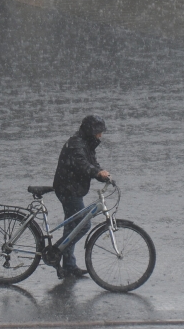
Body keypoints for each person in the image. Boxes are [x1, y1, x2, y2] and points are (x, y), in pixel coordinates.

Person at [52, 115, 110, 279]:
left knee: (72, 227)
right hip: (67, 189)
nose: (100, 135)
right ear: (90, 131)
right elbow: (83, 164)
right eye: (98, 132)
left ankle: (69, 266)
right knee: (83, 225)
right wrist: (96, 172)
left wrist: (101, 175)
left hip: (73, 188)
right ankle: (56, 251)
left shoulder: (86, 143)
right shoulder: (76, 144)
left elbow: (91, 163)